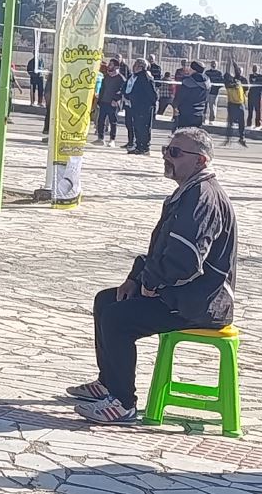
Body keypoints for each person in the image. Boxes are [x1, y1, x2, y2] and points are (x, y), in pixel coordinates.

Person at [66, 127, 237, 425]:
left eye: (175, 153)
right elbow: (162, 251)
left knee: (118, 319)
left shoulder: (202, 197)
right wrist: (136, 277)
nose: (167, 157)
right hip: (182, 294)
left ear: (200, 161)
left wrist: (152, 283)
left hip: (199, 303)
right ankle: (107, 383)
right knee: (107, 301)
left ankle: (122, 403)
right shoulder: (188, 192)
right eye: (166, 150)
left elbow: (186, 261)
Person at [126, 60, 158, 156]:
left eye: (136, 65)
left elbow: (152, 93)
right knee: (137, 126)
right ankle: (138, 146)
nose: (134, 67)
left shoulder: (145, 77)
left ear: (141, 67)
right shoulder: (134, 77)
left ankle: (144, 147)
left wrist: (151, 103)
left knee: (143, 127)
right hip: (136, 106)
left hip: (144, 107)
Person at [95, 60, 125, 146]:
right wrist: (99, 100)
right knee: (101, 120)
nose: (108, 66)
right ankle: (100, 138)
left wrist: (115, 99)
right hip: (104, 101)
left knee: (113, 121)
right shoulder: (106, 77)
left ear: (116, 67)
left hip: (113, 103)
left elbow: (122, 91)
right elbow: (102, 89)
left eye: (111, 65)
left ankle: (112, 140)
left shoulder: (121, 78)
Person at [174, 62, 211, 130]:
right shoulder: (207, 82)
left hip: (186, 112)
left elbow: (180, 96)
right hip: (200, 112)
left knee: (183, 133)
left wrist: (175, 105)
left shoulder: (188, 81)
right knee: (196, 133)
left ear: (194, 70)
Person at [223, 68, 249, 146]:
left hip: (240, 104)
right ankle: (228, 139)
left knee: (242, 122)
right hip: (232, 104)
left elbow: (237, 73)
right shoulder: (228, 85)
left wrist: (234, 63)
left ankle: (242, 138)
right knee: (230, 123)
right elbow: (231, 84)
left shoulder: (237, 80)